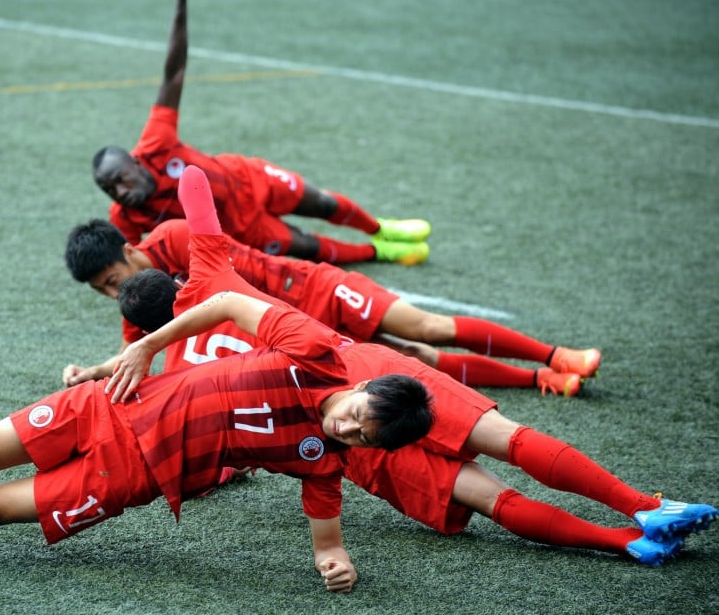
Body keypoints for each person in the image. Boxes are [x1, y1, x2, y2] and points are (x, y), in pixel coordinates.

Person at [108, 165, 717, 568]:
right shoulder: (208, 274)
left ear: (140, 325)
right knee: (507, 438)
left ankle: (626, 543)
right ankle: (642, 505)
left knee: (488, 496)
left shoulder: (176, 370)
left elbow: (196, 433)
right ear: (173, 282)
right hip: (361, 375)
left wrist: (120, 367)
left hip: (342, 442)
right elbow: (193, 186)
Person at [0, 280, 436, 595]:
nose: (348, 427)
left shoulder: (323, 462)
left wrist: (334, 563)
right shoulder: (315, 350)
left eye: (364, 436)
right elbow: (229, 304)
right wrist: (145, 347)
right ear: (361, 385)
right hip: (109, 404)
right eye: (359, 412)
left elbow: (327, 536)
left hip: (128, 478)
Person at [92, 0, 430, 267]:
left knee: (321, 202)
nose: (120, 192)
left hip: (248, 180)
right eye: (109, 190)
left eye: (120, 179)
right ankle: (378, 251)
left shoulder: (156, 143)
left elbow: (174, 72)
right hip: (238, 231)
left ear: (135, 162)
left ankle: (379, 228)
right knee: (305, 246)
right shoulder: (125, 217)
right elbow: (132, 265)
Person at [63, 216, 600, 397]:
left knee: (426, 326)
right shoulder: (142, 303)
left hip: (311, 288)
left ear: (129, 250)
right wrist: (91, 373)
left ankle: (556, 354)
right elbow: (137, 352)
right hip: (296, 330)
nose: (114, 295)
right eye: (103, 292)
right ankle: (542, 379)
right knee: (413, 359)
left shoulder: (180, 238)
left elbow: (234, 279)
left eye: (112, 281)